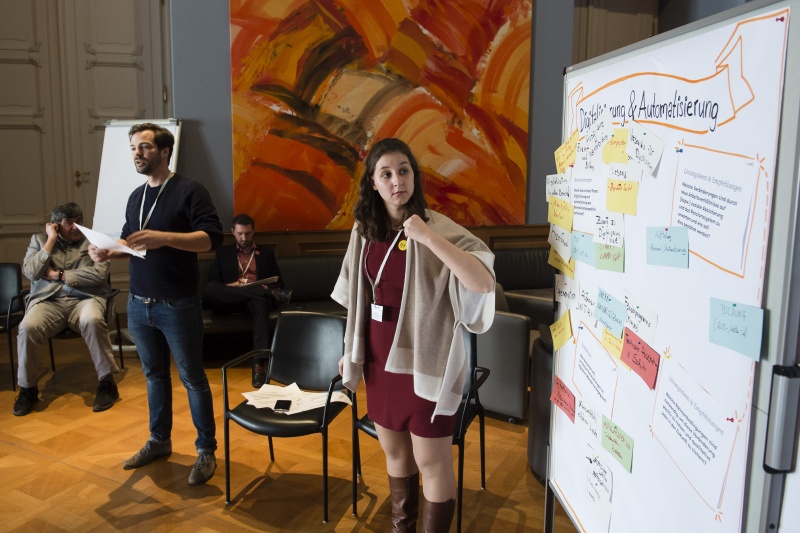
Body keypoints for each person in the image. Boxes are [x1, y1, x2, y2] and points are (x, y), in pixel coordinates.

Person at [332, 138, 495, 532]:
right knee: (395, 455)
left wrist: (426, 237)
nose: (396, 181)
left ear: (414, 176)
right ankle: (401, 527)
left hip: (427, 361)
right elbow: (357, 297)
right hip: (378, 358)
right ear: (373, 183)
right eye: (385, 174)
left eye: (403, 170)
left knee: (431, 460)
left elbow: (483, 282)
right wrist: (348, 350)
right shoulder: (363, 230)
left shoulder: (436, 227)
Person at [88, 122, 223, 486]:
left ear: (165, 152)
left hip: (177, 304)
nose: (137, 153)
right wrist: (107, 251)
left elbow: (210, 239)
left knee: (193, 379)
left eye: (145, 147)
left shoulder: (189, 191)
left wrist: (163, 237)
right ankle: (159, 441)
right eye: (133, 147)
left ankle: (205, 450)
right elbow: (134, 244)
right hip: (138, 302)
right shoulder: (136, 196)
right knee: (153, 376)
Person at [13, 202, 120, 416]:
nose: (75, 227)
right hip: (48, 301)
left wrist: (59, 275)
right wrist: (50, 241)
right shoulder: (39, 240)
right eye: (69, 222)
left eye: (79, 222)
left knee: (92, 320)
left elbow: (98, 275)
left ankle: (107, 383)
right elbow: (31, 272)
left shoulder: (94, 241)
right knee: (28, 326)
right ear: (55, 225)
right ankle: (28, 389)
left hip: (85, 299)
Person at [202, 213, 291, 387]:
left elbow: (279, 282)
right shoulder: (223, 253)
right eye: (240, 233)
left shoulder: (265, 254)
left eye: (248, 233)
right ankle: (262, 294)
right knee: (210, 289)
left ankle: (258, 365)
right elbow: (214, 283)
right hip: (230, 299)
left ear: (253, 231)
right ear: (233, 232)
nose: (244, 238)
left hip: (254, 302)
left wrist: (265, 288)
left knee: (260, 302)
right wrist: (233, 285)